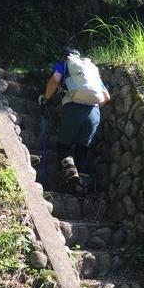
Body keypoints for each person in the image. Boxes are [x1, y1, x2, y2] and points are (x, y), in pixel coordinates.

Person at [39, 47, 110, 194]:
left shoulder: (64, 64)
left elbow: (55, 80)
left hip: (73, 110)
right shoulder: (90, 70)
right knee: (82, 151)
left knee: (63, 147)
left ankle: (70, 171)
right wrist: (91, 109)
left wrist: (45, 98)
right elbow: (106, 97)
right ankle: (81, 188)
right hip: (94, 113)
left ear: (65, 56)